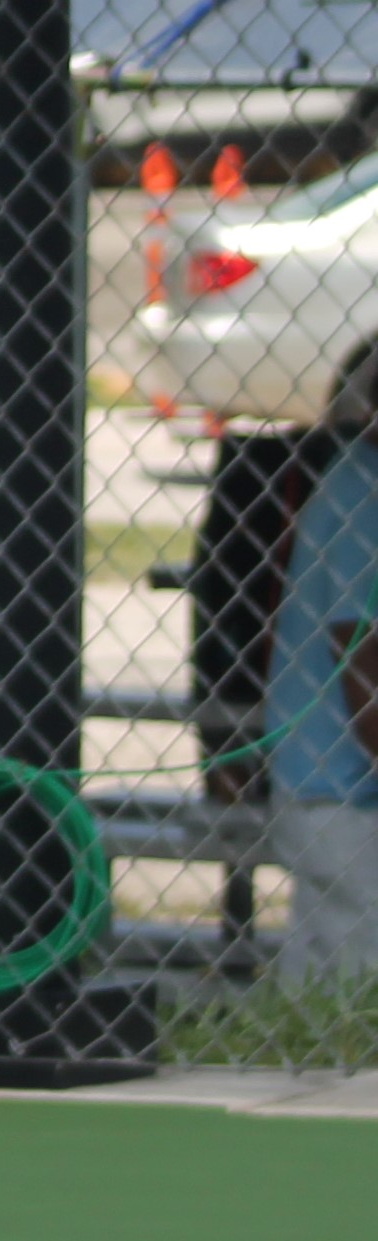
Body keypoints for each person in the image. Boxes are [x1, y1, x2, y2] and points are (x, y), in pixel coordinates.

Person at [262, 340, 378, 982]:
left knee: (320, 971)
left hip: (328, 789)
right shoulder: (365, 497)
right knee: (359, 972)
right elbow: (362, 657)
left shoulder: (353, 481)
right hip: (343, 792)